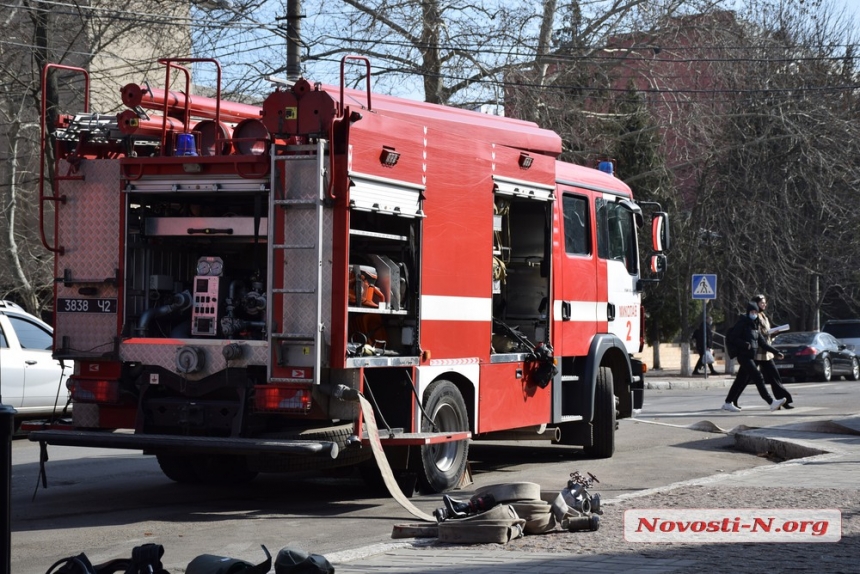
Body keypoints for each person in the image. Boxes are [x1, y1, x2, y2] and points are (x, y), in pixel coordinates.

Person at [722, 301, 787, 412]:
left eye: (755, 312)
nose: (754, 313)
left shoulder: (755, 325)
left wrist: (776, 352)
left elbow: (763, 343)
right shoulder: (742, 323)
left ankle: (728, 403)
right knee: (758, 376)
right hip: (743, 356)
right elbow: (733, 337)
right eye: (752, 311)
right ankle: (771, 402)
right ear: (748, 312)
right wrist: (744, 344)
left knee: (740, 380)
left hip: (750, 356)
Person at [751, 294, 794, 409]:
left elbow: (766, 332)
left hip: (766, 353)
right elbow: (758, 334)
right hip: (757, 353)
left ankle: (782, 401)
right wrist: (769, 333)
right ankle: (731, 400)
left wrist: (773, 332)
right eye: (761, 303)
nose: (764, 305)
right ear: (756, 303)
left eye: (765, 303)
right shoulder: (754, 316)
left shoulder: (763, 315)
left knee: (775, 377)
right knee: (744, 379)